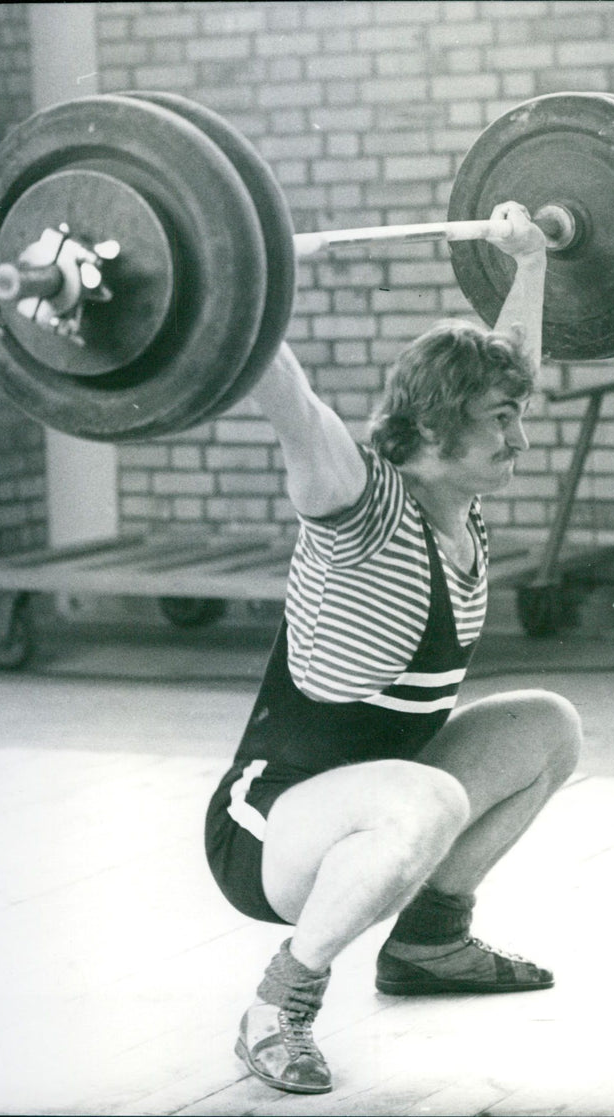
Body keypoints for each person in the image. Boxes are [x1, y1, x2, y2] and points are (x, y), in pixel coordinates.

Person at [204, 202, 583, 1095]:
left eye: (517, 417)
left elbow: (514, 363)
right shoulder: (361, 506)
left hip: (385, 797)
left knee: (548, 727)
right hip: (269, 830)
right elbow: (287, 400)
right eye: (501, 420)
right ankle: (280, 1004)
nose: (519, 438)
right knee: (430, 797)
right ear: (441, 429)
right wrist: (243, 274)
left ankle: (430, 940)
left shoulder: (461, 504)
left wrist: (529, 262)